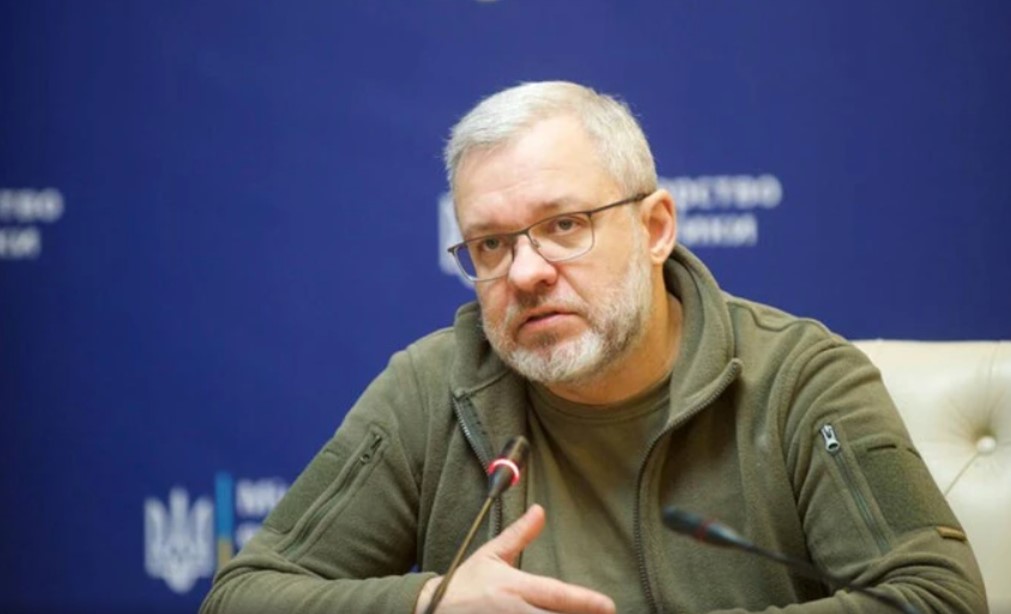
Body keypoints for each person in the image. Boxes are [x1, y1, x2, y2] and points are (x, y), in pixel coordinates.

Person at [200, 81, 987, 613]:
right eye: (490, 243)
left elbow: (934, 596)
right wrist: (429, 601)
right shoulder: (433, 386)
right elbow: (241, 596)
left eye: (564, 225)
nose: (526, 272)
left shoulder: (799, 380)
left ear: (654, 228)